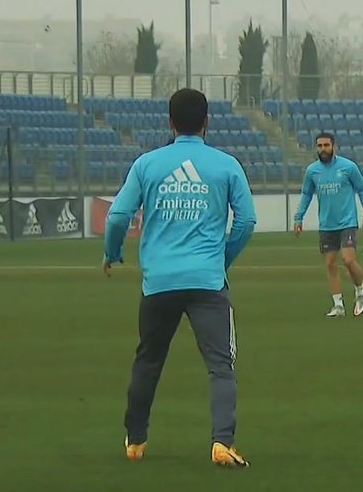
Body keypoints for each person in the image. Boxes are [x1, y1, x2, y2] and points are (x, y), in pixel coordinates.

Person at [103, 87, 257, 467]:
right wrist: (222, 259)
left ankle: (135, 441)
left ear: (170, 123)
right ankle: (222, 442)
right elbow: (247, 220)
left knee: (148, 361)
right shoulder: (225, 164)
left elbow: (118, 216)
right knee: (221, 365)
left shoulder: (148, 164)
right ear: (207, 122)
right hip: (207, 281)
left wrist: (113, 252)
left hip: (159, 283)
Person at [293, 132, 363, 317]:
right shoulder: (312, 171)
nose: (323, 149)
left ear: (334, 146)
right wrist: (299, 217)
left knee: (348, 260)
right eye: (319, 146)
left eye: (326, 145)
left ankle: (360, 292)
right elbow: (306, 194)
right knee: (330, 263)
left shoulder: (348, 167)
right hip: (326, 225)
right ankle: (338, 305)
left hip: (347, 222)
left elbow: (362, 189)